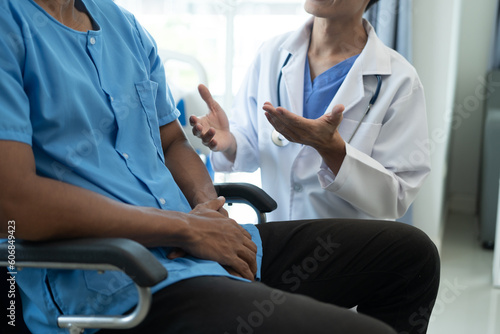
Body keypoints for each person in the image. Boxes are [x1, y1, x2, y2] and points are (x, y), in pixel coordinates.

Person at [0, 0, 439, 333]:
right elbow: (13, 204)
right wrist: (186, 226)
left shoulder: (121, 26)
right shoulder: (10, 25)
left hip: (194, 242)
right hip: (122, 277)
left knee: (412, 256)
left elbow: (170, 139)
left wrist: (208, 210)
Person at [191, 0, 431, 222]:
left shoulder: (400, 80)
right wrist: (230, 141)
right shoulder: (271, 54)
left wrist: (334, 151)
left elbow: (396, 198)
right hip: (280, 238)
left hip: (351, 253)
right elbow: (252, 146)